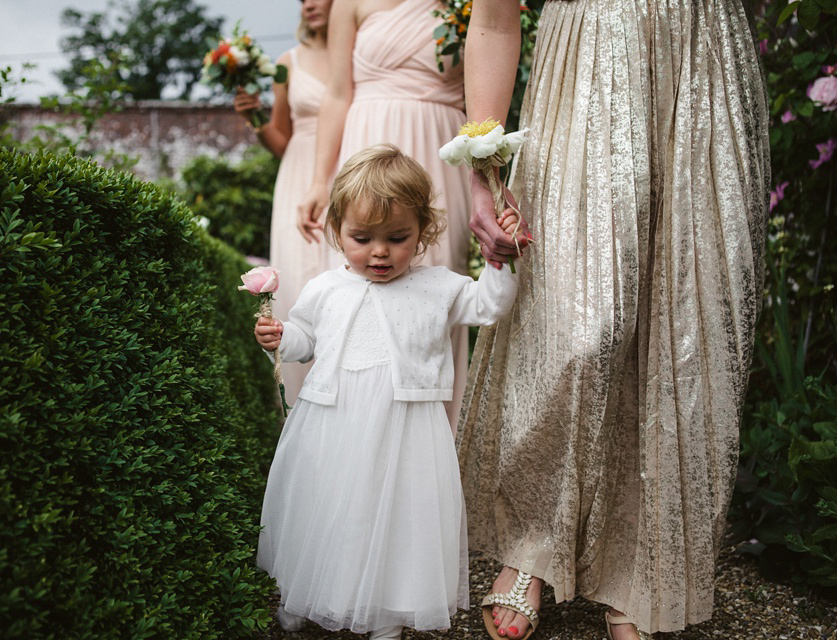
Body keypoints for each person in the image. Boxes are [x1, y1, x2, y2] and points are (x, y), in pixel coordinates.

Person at [455, 2, 770, 640]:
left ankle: (645, 570)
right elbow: (492, 17)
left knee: (690, 318)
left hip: (705, 61)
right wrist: (483, 171)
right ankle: (530, 543)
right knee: (581, 325)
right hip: (589, 64)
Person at [255, 145, 520, 639]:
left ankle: (386, 614)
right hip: (334, 421)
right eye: (362, 238)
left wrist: (499, 260)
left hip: (407, 428)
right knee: (328, 509)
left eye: (398, 238)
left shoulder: (438, 286)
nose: (380, 252)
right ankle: (305, 592)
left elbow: (489, 306)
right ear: (337, 230)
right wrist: (281, 337)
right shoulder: (324, 288)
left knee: (397, 519)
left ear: (423, 232)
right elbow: (307, 339)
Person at [296, 0, 473, 434]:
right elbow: (338, 92)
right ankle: (347, 435)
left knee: (436, 293)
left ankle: (431, 442)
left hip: (441, 149)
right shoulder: (351, 3)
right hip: (367, 136)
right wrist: (321, 178)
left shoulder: (463, 3)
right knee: (354, 294)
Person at [233, 0, 332, 404]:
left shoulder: (361, 53)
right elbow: (282, 140)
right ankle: (298, 401)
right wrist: (255, 119)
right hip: (296, 174)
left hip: (348, 167)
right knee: (299, 280)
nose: (309, 4)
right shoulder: (287, 63)